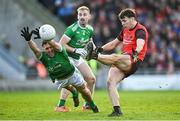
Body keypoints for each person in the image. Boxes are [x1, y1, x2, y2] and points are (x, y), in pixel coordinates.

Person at [20, 26, 99, 113]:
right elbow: (35, 50)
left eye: (50, 47)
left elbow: (54, 44)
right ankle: (74, 93)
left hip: (72, 75)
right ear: (44, 49)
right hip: (60, 79)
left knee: (84, 91)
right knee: (68, 87)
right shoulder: (43, 57)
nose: (49, 50)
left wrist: (45, 36)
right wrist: (29, 40)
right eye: (47, 48)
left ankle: (92, 105)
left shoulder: (59, 49)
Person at [86, 8, 148, 116]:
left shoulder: (140, 30)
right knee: (110, 81)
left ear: (132, 19)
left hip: (133, 59)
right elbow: (113, 44)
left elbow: (140, 44)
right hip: (124, 59)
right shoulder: (124, 30)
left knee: (115, 57)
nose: (123, 23)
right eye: (121, 21)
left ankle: (94, 56)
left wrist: (136, 51)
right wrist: (100, 49)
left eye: (124, 21)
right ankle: (117, 110)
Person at [59, 6, 96, 111]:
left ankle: (87, 104)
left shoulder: (90, 29)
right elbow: (61, 44)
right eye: (80, 15)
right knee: (71, 80)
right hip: (67, 57)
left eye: (84, 15)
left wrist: (94, 49)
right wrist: (75, 50)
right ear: (77, 16)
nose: (82, 17)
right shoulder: (72, 29)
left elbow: (90, 42)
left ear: (89, 16)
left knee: (91, 79)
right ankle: (60, 106)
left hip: (77, 57)